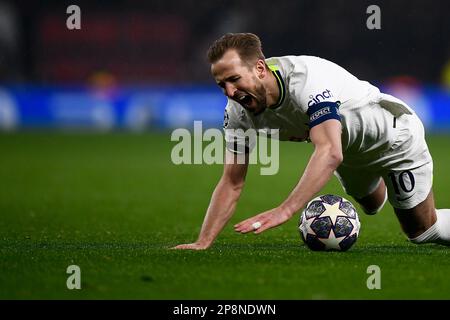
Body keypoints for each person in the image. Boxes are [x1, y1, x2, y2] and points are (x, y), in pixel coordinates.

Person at [173, 33, 450, 250]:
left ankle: (399, 179)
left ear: (259, 68)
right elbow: (232, 181)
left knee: (422, 231)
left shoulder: (306, 80)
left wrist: (285, 210)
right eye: (222, 84)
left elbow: (329, 153)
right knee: (371, 205)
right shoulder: (237, 112)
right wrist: (203, 241)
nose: (230, 92)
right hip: (350, 152)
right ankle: (390, 185)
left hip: (393, 140)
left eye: (234, 79)